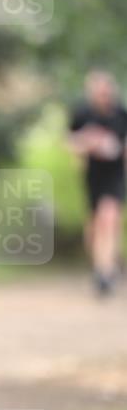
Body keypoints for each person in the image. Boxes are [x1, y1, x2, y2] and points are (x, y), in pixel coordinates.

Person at [69, 70, 127, 295]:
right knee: (95, 225)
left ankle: (106, 271)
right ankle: (100, 265)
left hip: (115, 175)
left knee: (109, 218)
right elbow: (71, 141)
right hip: (93, 175)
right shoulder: (83, 114)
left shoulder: (121, 114)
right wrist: (87, 142)